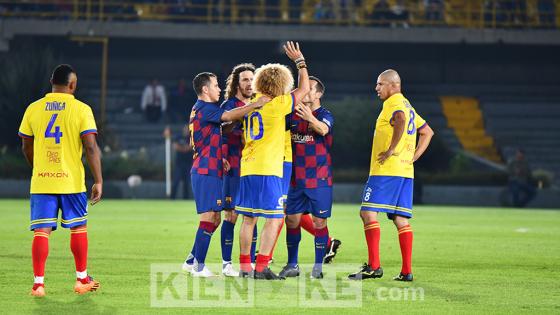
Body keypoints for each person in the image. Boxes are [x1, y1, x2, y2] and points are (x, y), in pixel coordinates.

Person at [18, 64, 103, 297]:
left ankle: (38, 285)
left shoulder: (33, 109)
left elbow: (26, 145)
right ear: (72, 85)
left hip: (42, 181)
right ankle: (81, 280)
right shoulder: (81, 109)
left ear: (51, 82)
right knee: (78, 227)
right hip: (71, 181)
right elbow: (91, 146)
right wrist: (99, 180)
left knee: (41, 232)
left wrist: (38, 167)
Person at [348, 69, 434, 282]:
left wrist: (390, 149)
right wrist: (413, 157)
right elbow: (427, 132)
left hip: (387, 170)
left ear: (393, 85)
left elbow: (400, 119)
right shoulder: (407, 104)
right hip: (405, 171)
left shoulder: (395, 104)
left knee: (367, 213)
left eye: (380, 84)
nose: (376, 88)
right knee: (400, 219)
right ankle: (406, 271)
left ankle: (374, 266)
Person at [181, 72, 269, 277]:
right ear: (205, 89)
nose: (219, 89)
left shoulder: (198, 109)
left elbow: (206, 137)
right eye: (215, 85)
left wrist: (219, 157)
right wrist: (256, 105)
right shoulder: (207, 108)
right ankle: (199, 267)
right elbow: (229, 116)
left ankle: (191, 260)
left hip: (210, 167)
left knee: (215, 219)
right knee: (209, 217)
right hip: (206, 171)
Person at [235, 41, 310, 280]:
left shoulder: (250, 104)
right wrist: (300, 62)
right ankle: (262, 267)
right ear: (281, 84)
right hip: (269, 168)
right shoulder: (278, 104)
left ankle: (245, 267)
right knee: (276, 218)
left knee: (248, 219)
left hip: (248, 166)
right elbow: (304, 89)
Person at [279, 76, 340, 279]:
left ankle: (317, 267)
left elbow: (323, 129)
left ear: (319, 94)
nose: (305, 92)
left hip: (319, 180)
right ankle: (292, 264)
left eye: (310, 89)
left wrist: (309, 118)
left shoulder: (325, 115)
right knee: (292, 221)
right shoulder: (293, 116)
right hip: (296, 180)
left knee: (319, 222)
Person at [219, 63, 258, 277]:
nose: (249, 83)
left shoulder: (258, 103)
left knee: (252, 214)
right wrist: (223, 156)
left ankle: (250, 262)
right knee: (231, 215)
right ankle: (227, 263)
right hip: (234, 165)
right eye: (245, 79)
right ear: (237, 83)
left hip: (255, 166)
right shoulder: (229, 104)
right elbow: (221, 131)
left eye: (252, 79)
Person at [170, 125, 193, 200]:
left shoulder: (190, 137)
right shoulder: (178, 137)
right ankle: (172, 198)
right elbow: (175, 146)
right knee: (175, 181)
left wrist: (182, 148)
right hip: (179, 164)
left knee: (187, 183)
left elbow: (190, 147)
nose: (186, 130)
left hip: (188, 164)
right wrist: (184, 148)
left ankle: (185, 199)